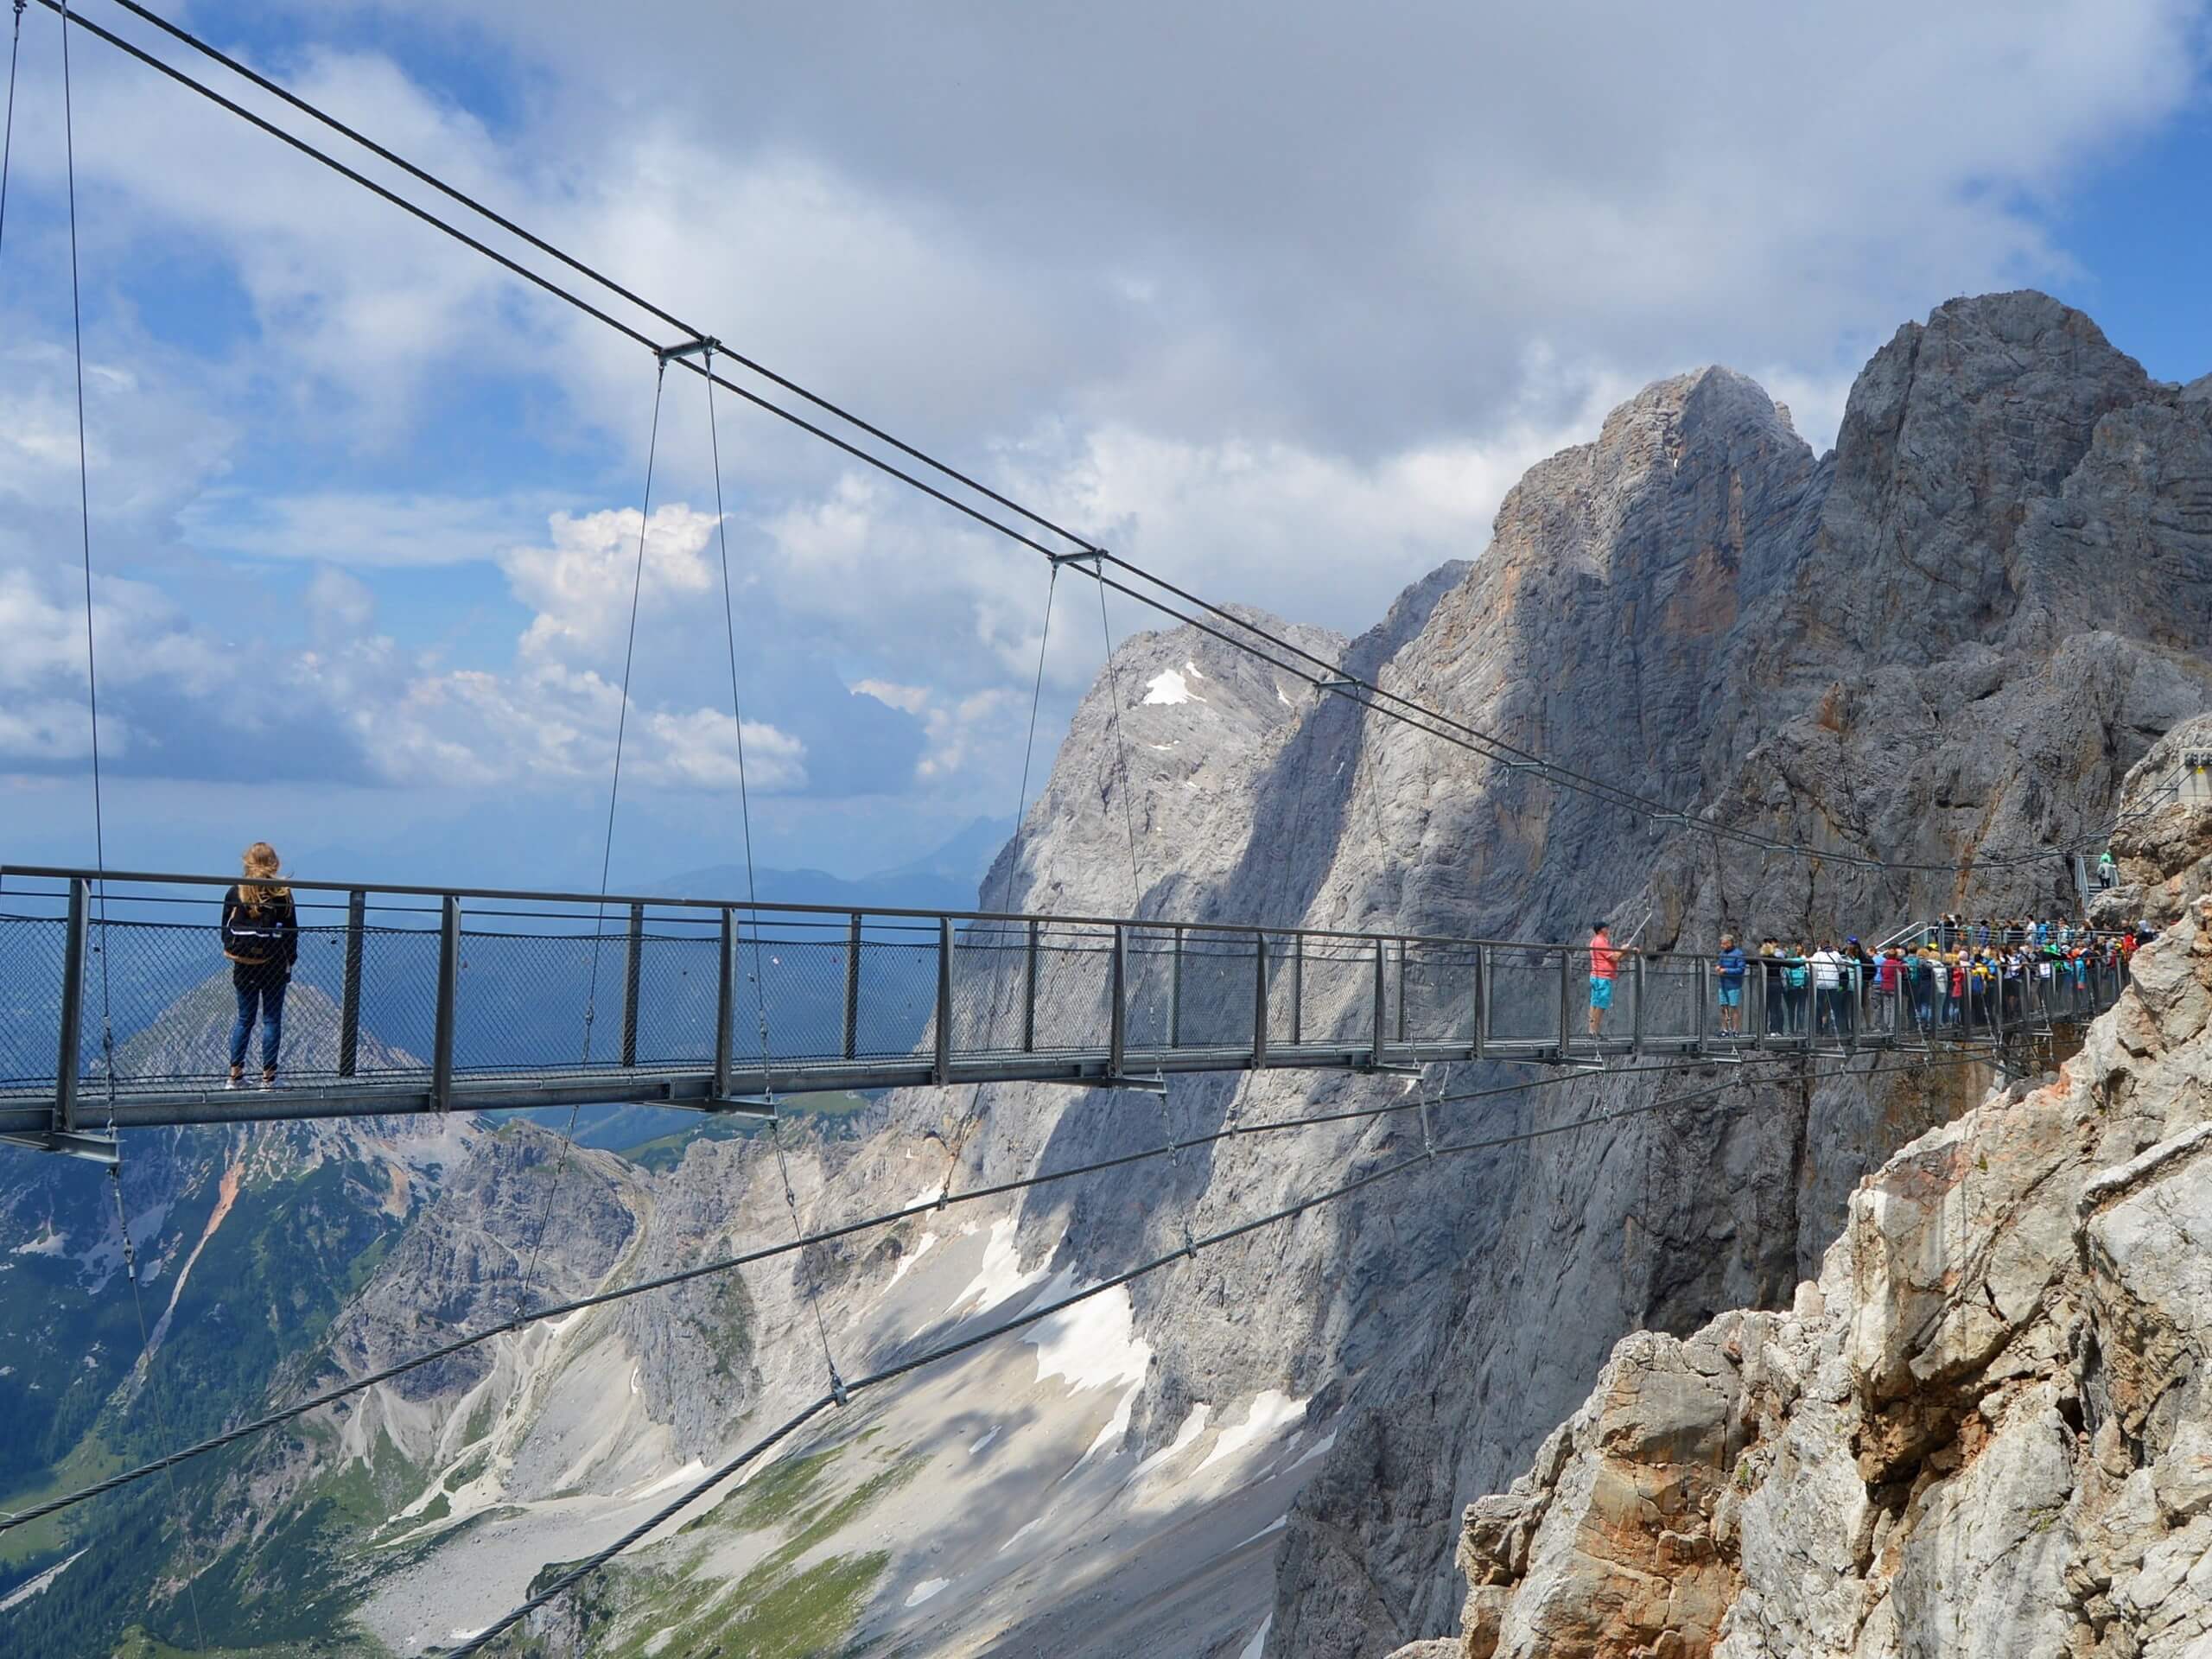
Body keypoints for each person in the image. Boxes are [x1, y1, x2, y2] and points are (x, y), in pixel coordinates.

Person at [221, 841, 299, 1090]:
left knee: (245, 1019)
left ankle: (235, 1077)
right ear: (274, 863)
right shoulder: (281, 893)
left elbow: (225, 930)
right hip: (274, 965)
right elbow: (291, 932)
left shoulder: (236, 892)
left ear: (247, 861)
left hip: (244, 965)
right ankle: (268, 1079)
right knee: (271, 1020)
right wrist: (290, 961)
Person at [1586, 921, 1618, 1037]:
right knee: (1601, 1003)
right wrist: (1625, 950)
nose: (1608, 930)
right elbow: (1614, 957)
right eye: (1606, 928)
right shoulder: (1601, 941)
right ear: (1600, 930)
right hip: (1603, 977)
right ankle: (1594, 1030)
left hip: (1596, 975)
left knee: (1594, 1002)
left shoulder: (1594, 941)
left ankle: (1591, 1030)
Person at [1714, 933, 1747, 1036]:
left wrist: (1726, 970)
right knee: (1723, 1007)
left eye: (1724, 944)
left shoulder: (1738, 954)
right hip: (1723, 984)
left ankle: (1735, 1030)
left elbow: (1741, 969)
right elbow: (1719, 963)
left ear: (1730, 943)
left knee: (1733, 1007)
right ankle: (1724, 1030)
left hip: (1734, 985)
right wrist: (1718, 967)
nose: (1722, 946)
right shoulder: (1723, 953)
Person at [1760, 938, 1788, 1036]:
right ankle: (1775, 1030)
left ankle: (1763, 1030)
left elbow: (1750, 961)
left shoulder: (1762, 960)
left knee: (1764, 1008)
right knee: (1775, 1007)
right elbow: (1791, 964)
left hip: (1766, 984)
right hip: (1777, 984)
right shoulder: (1778, 959)